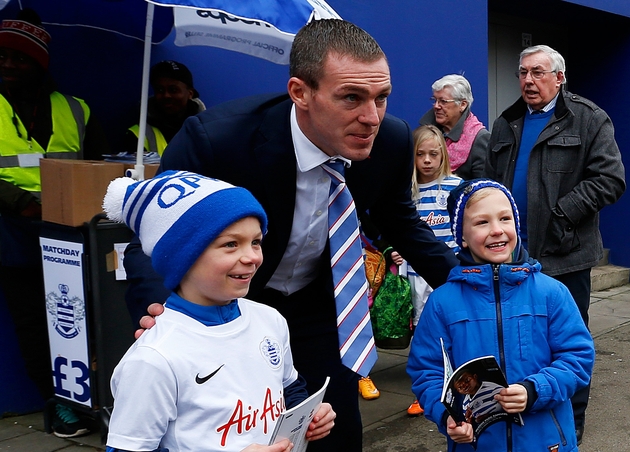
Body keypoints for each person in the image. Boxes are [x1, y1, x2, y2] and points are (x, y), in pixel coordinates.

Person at [123, 19, 459, 452]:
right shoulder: (217, 141)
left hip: (322, 307)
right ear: (300, 92)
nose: (371, 117)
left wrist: (470, 284)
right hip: (231, 311)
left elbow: (400, 221)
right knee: (244, 433)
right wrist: (161, 309)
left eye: (381, 97)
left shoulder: (391, 141)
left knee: (334, 430)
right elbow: (150, 239)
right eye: (351, 98)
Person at [102, 171, 335, 452]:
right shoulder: (153, 359)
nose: (252, 257)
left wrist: (308, 415)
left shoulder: (270, 319)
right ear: (182, 257)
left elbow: (289, 387)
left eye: (256, 241)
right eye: (230, 244)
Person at [484, 44, 625, 444]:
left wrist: (562, 215)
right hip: (512, 257)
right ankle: (519, 407)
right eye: (523, 72)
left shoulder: (589, 118)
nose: (528, 80)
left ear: (559, 78)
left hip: (565, 256)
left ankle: (570, 423)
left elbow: (611, 179)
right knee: (517, 338)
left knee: (567, 341)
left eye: (538, 72)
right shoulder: (506, 123)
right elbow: (488, 180)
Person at [406, 179, 594, 451]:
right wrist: (447, 416)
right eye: (482, 222)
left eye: (505, 219)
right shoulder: (442, 303)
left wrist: (535, 390)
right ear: (462, 236)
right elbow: (427, 370)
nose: (497, 230)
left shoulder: (552, 293)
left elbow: (578, 358)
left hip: (546, 443)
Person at [0, 8, 106, 438]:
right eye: (2, 56)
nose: (8, 64)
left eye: (19, 57)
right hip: (12, 232)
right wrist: (21, 202)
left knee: (82, 318)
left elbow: (97, 168)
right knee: (34, 323)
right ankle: (59, 404)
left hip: (72, 233)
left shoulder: (76, 109)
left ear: (39, 62)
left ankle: (93, 398)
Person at [388, 125, 461, 416]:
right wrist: (396, 249)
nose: (427, 160)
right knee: (422, 330)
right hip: (415, 276)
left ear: (444, 155)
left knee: (450, 326)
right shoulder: (407, 191)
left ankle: (457, 380)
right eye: (420, 154)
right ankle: (425, 388)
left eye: (434, 154)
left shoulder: (455, 187)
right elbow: (397, 229)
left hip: (447, 272)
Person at [124, 60, 205, 156]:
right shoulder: (138, 134)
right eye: (160, 90)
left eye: (173, 90)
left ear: (190, 93)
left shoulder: (207, 129)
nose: (166, 95)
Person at [419, 74, 489, 180]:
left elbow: (482, 184)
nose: (436, 106)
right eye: (435, 100)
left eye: (443, 101)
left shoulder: (479, 138)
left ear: (462, 105)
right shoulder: (425, 132)